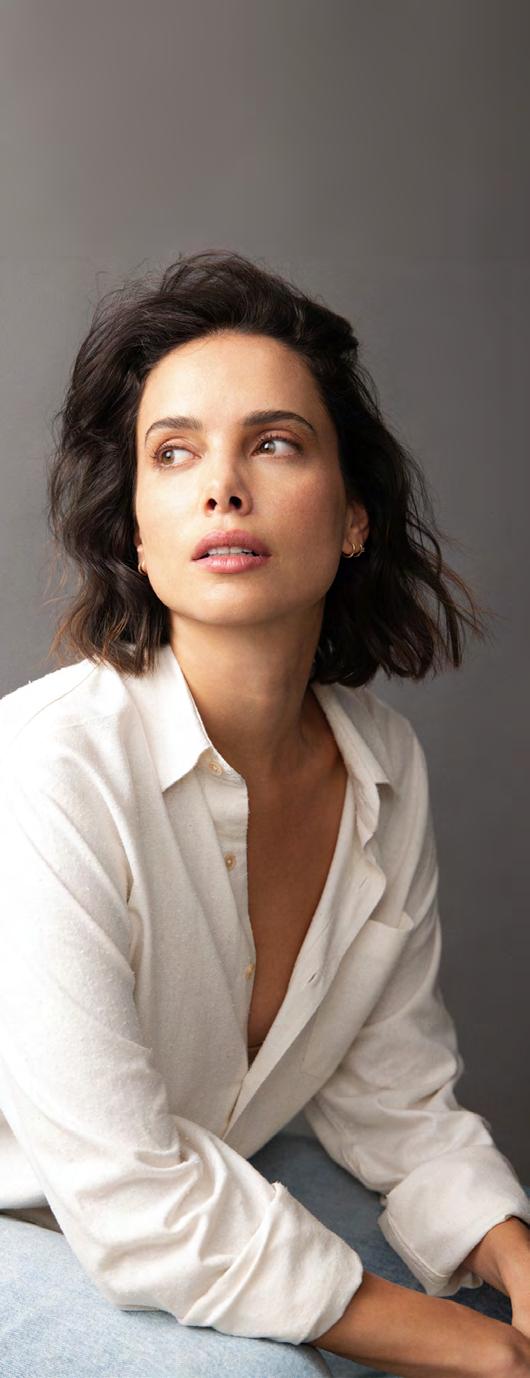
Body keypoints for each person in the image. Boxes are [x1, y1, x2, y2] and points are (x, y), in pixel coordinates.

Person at [0, 248, 529, 1378]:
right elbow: (125, 1191)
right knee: (269, 1374)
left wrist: (514, 1260)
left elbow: (390, 1093)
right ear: (136, 531)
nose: (222, 487)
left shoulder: (380, 765)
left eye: (274, 442)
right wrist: (482, 1351)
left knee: (464, 1282)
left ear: (353, 516)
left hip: (195, 1169)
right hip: (27, 1211)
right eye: (173, 451)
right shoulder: (48, 770)